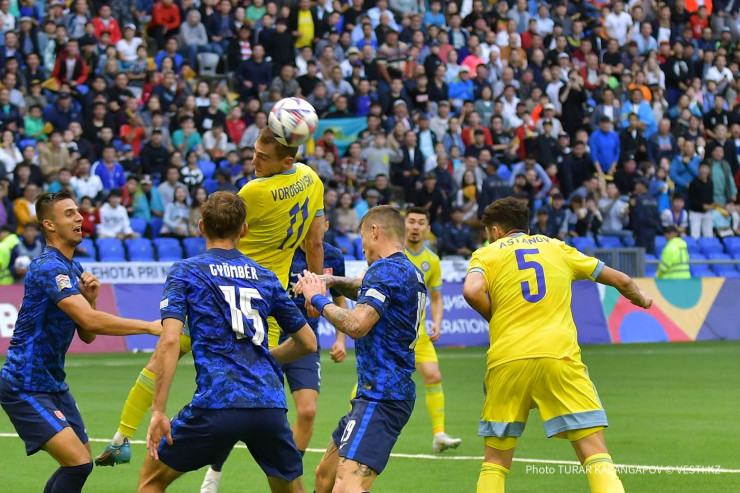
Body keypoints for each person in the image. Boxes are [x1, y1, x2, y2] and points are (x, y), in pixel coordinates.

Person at [96, 127, 326, 472]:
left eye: (262, 157)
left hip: (220, 294)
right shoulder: (311, 178)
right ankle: (251, 471)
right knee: (255, 387)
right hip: (268, 301)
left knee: (167, 358)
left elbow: (225, 224)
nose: (253, 161)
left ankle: (122, 438)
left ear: (285, 160)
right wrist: (316, 288)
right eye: (253, 152)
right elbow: (315, 242)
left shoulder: (255, 191)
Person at [462, 197, 652, 493]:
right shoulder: (557, 248)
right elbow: (622, 279)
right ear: (525, 227)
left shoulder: (486, 254)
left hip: (507, 360)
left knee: (495, 461)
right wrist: (641, 298)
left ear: (496, 231)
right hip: (558, 356)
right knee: (595, 453)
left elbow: (472, 291)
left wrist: (495, 318)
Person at [139, 192, 317, 493]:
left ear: (201, 227)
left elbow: (169, 341)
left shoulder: (186, 271)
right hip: (268, 405)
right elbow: (308, 343)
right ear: (244, 230)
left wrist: (158, 411)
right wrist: (265, 357)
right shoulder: (265, 276)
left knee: (151, 481)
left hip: (217, 403)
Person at [0, 191, 160, 493]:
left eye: (78, 212)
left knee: (79, 464)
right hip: (24, 384)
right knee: (77, 463)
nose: (79, 218)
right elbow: (90, 322)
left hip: (53, 383)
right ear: (49, 225)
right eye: (69, 213)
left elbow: (87, 335)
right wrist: (150, 327)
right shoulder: (48, 267)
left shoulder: (73, 269)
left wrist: (91, 299)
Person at [200, 216, 348, 492]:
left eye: (319, 223)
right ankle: (215, 468)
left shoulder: (333, 257)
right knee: (242, 406)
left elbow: (338, 296)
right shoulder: (282, 250)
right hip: (268, 342)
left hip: (305, 343)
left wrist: (341, 338)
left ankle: (288, 474)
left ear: (326, 226)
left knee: (308, 411)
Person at [298, 205, 427, 493]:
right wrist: (331, 281)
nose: (364, 246)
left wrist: (317, 298)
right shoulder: (408, 271)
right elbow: (363, 288)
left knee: (346, 488)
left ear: (375, 232)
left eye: (363, 237)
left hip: (382, 396)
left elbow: (357, 325)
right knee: (324, 476)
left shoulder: (384, 270)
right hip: (378, 394)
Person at [404, 207, 462, 451]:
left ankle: (439, 434)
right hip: (392, 335)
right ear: (404, 224)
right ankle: (353, 419)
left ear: (428, 229)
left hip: (418, 334)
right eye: (411, 221)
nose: (415, 227)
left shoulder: (432, 260)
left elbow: (436, 298)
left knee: (434, 376)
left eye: (421, 223)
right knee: (375, 380)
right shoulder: (392, 254)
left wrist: (437, 322)